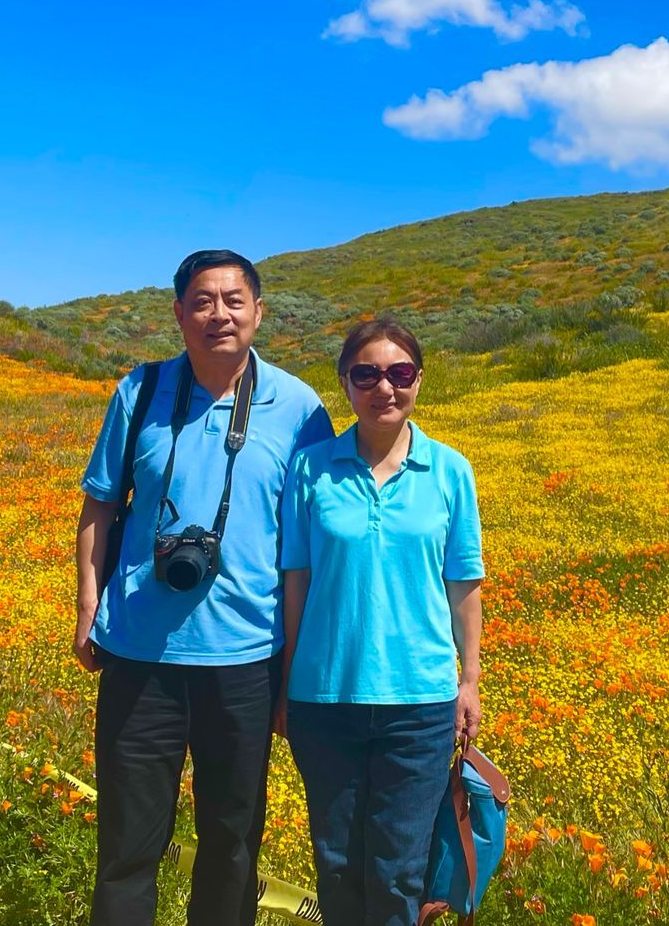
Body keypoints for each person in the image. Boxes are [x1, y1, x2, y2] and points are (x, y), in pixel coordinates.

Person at [75, 249, 335, 926]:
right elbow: (100, 505)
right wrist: (87, 608)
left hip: (246, 661)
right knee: (127, 845)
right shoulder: (140, 392)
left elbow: (311, 543)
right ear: (179, 313)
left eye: (233, 300)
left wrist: (298, 666)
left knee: (232, 844)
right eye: (202, 301)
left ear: (258, 312)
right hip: (139, 654)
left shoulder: (299, 408)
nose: (219, 314)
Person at [278, 319, 485, 926]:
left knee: (398, 871)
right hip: (324, 699)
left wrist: (469, 680)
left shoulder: (450, 471)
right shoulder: (310, 469)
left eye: (400, 373)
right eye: (366, 374)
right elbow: (296, 582)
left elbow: (464, 586)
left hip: (420, 705)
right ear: (345, 383)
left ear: (419, 380)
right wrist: (285, 685)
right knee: (336, 861)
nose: (384, 388)